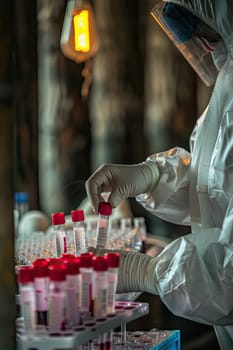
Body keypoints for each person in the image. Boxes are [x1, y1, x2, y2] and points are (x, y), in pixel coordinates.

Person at [85, 1, 233, 349]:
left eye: (197, 21)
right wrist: (152, 175)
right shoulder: (227, 81)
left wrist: (149, 272)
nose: (193, 34)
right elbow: (214, 186)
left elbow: (229, 280)